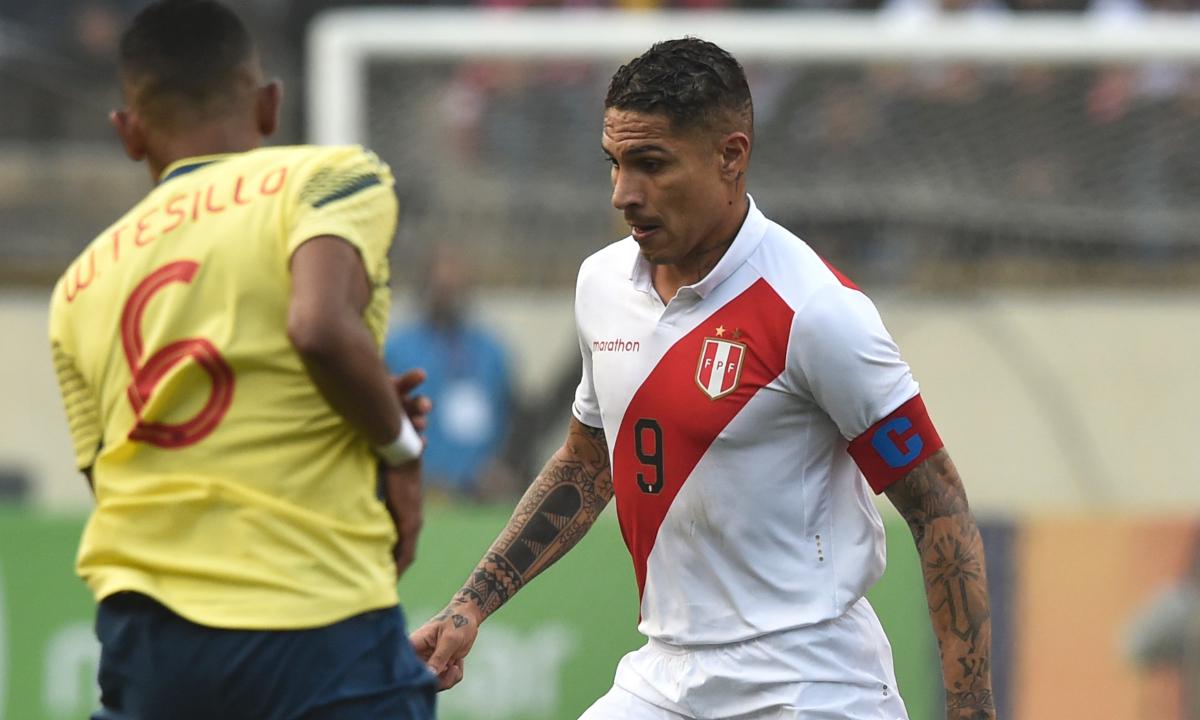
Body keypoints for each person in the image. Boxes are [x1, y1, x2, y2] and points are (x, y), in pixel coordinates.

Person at [411, 38, 995, 719]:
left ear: (730, 156)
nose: (624, 194)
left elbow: (939, 509)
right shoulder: (601, 284)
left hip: (810, 678)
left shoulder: (815, 311)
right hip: (664, 672)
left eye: (651, 164)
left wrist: (972, 713)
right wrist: (468, 608)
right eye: (616, 163)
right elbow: (587, 464)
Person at [47, 1, 437, 717]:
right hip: (313, 616)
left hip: (149, 639)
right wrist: (398, 446)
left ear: (128, 133)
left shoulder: (77, 283)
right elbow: (319, 327)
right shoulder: (325, 178)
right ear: (269, 104)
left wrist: (358, 397)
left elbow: (113, 474)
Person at [384, 247, 516, 501]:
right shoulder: (399, 349)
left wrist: (503, 465)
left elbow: (511, 416)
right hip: (422, 489)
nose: (449, 297)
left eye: (456, 289)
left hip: (481, 492)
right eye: (442, 288)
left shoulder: (491, 350)